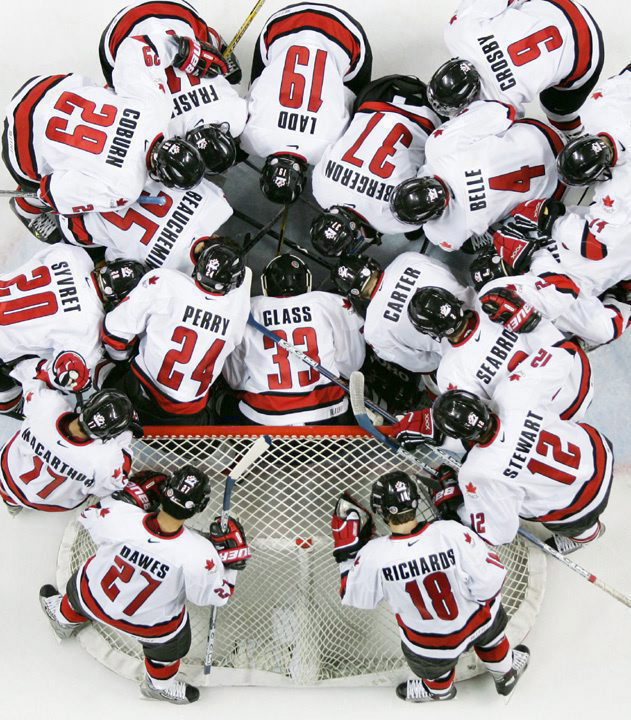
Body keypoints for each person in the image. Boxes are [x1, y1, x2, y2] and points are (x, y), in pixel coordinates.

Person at [39, 464, 250, 704]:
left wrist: (130, 498)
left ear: (163, 492)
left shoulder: (120, 514)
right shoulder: (202, 554)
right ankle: (159, 687)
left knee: (82, 589)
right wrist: (232, 563)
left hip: (92, 599)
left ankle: (63, 619)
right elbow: (216, 597)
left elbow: (89, 518)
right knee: (168, 649)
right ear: (200, 508)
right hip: (150, 628)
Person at [331, 471, 529, 703]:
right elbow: (490, 580)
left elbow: (353, 596)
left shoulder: (374, 555)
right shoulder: (450, 532)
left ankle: (439, 692)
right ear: (416, 501)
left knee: (435, 671)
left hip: (430, 642)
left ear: (380, 511)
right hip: (478, 618)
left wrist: (347, 552)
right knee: (492, 639)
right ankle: (505, 673)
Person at [2, 71, 204, 243]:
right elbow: (54, 189)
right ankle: (26, 209)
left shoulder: (159, 107)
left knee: (109, 90)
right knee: (47, 191)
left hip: (44, 87)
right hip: (19, 144)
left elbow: (125, 63)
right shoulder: (126, 188)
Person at [424, 387, 613, 553]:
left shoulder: (476, 471)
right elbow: (561, 356)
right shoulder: (513, 393)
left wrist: (460, 511)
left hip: (581, 509)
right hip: (600, 453)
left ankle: (589, 535)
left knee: (567, 521)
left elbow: (501, 533)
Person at [101, 240, 251, 424]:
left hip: (135, 394)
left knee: (103, 370)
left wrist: (121, 362)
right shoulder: (240, 307)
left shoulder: (164, 281)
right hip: (186, 415)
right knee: (209, 447)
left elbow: (114, 333)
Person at [388, 99, 565, 252]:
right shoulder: (437, 148)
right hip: (540, 134)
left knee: (471, 244)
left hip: (554, 188)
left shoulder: (444, 233)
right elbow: (504, 111)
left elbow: (449, 242)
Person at [240, 2, 373, 204]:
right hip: (283, 23)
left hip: (346, 34)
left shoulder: (327, 152)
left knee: (360, 108)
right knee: (260, 84)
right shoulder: (251, 139)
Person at [406, 285, 593, 420]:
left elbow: (485, 419)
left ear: (429, 332)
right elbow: (557, 289)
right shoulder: (491, 299)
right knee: (537, 320)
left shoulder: (449, 373)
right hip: (580, 373)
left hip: (555, 417)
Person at [0, 244, 144, 413]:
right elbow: (59, 375)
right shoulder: (91, 329)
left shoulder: (70, 254)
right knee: (27, 373)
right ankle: (9, 401)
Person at [222, 253, 364, 425]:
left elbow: (235, 380)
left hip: (264, 419)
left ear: (266, 284)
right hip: (329, 416)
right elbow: (351, 366)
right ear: (307, 281)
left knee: (224, 402)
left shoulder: (248, 308)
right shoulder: (328, 302)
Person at [431, 0, 604, 136]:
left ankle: (576, 135)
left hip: (586, 51)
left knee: (558, 114)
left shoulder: (497, 102)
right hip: (560, 7)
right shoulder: (459, 31)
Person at [475, 198, 631, 346]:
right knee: (604, 331)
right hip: (615, 265)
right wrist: (534, 256)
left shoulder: (516, 231)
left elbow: (549, 208)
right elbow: (566, 290)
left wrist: (540, 236)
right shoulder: (542, 294)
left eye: (504, 263)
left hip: (616, 221)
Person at [310, 74, 440, 249]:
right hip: (377, 94)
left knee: (420, 223)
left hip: (428, 117)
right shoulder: (320, 191)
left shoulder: (391, 223)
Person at [0, 359, 139, 516]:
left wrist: (58, 372)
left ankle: (10, 503)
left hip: (8, 475)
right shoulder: (106, 458)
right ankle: (12, 502)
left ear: (87, 404)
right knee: (95, 485)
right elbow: (117, 480)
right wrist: (126, 434)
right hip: (50, 504)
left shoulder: (49, 404)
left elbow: (29, 373)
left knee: (7, 483)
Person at [57, 178, 233, 274]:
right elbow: (112, 260)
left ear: (218, 239)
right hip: (75, 215)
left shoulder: (219, 206)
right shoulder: (168, 271)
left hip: (112, 169)